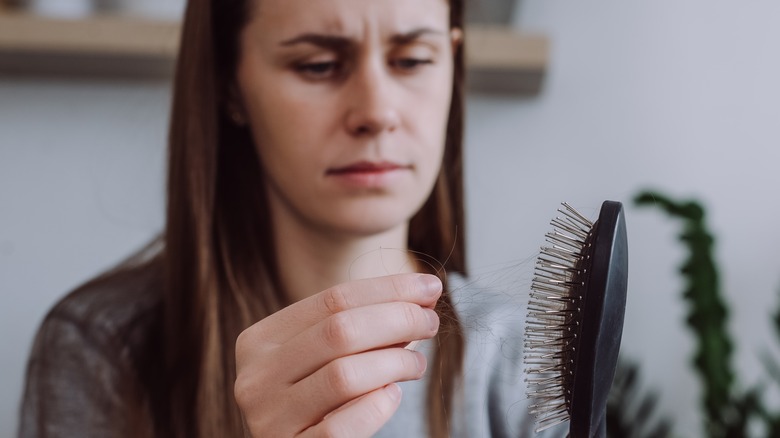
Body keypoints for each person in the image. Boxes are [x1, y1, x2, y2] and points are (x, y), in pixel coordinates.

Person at [19, 0, 543, 436]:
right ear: (230, 86)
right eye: (317, 65)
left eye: (412, 61)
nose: (377, 112)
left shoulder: (520, 355)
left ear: (453, 63)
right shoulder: (104, 344)